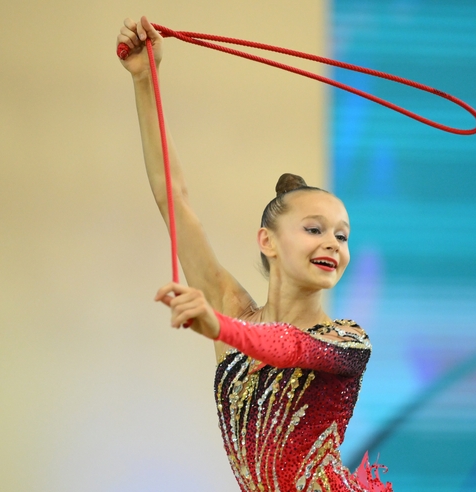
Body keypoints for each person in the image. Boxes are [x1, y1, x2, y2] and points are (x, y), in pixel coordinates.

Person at [118, 15, 392, 492]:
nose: (333, 243)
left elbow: (287, 346)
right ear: (267, 240)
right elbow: (173, 199)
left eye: (343, 236)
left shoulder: (348, 343)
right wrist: (146, 80)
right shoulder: (233, 308)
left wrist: (218, 326)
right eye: (314, 229)